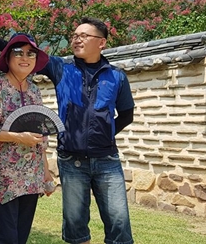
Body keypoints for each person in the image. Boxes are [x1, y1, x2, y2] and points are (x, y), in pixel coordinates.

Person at [38, 17, 135, 244]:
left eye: (84, 36)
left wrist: (104, 134)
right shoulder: (61, 68)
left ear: (101, 43)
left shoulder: (116, 76)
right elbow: (29, 54)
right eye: (74, 36)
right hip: (72, 161)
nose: (76, 40)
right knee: (75, 224)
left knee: (119, 222)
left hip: (107, 160)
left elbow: (126, 115)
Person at [0, 32, 54, 244]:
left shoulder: (35, 91)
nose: (24, 57)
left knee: (20, 237)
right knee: (6, 238)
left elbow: (39, 136)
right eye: (18, 52)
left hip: (31, 176)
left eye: (31, 53)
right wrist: (19, 137)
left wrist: (46, 173)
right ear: (8, 57)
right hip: (2, 177)